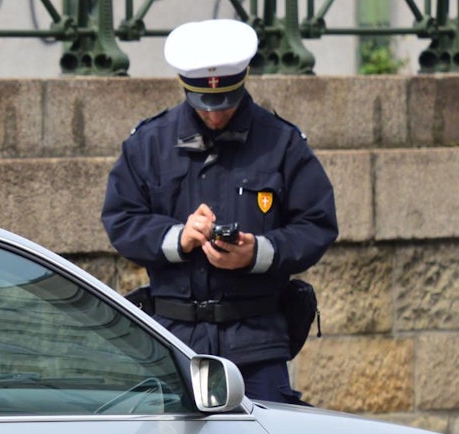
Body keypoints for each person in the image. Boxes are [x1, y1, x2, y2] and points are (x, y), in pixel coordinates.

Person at [101, 18, 338, 404]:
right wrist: (177, 237)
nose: (215, 115)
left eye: (225, 103)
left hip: (257, 343)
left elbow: (317, 223)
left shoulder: (281, 142)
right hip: (174, 342)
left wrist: (258, 252)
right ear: (186, 88)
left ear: (242, 83)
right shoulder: (149, 144)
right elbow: (121, 218)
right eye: (204, 104)